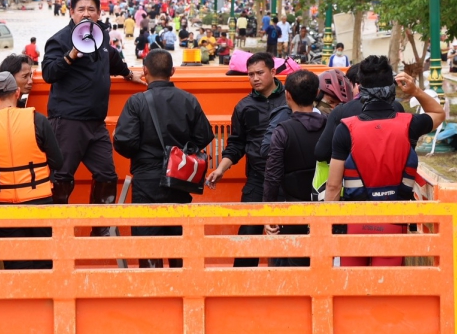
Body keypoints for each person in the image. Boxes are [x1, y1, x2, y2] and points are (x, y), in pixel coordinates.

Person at [324, 57, 444, 266]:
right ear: (392, 90)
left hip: (355, 223)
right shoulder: (410, 125)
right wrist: (415, 91)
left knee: (353, 283)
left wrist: (328, 227)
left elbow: (333, 187)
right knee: (387, 283)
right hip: (394, 222)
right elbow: (438, 113)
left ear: (361, 90)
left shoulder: (345, 129)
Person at [41, 0, 145, 219]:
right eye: (81, 9)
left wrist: (129, 74)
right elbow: (48, 73)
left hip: (96, 123)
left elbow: (111, 57)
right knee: (61, 177)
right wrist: (71, 55)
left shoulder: (101, 37)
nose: (86, 14)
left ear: (98, 13)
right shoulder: (59, 40)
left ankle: (101, 230)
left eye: (91, 9)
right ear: (71, 12)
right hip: (68, 120)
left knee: (107, 176)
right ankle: (57, 230)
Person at [113, 50, 214, 268]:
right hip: (180, 178)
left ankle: (153, 284)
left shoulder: (137, 102)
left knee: (148, 241)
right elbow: (205, 136)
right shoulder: (188, 99)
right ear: (172, 71)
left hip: (147, 179)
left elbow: (125, 142)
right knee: (179, 239)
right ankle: (180, 282)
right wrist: (182, 152)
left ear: (145, 71)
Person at [0, 72, 63, 269]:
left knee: (17, 263)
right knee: (45, 261)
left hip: (5, 206)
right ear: (17, 93)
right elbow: (58, 162)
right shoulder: (38, 121)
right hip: (40, 203)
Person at [206, 52, 287, 267]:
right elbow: (236, 144)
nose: (255, 78)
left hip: (287, 180)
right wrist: (221, 169)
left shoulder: (290, 100)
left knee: (287, 238)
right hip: (257, 179)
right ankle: (241, 281)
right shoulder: (244, 106)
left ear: (273, 72)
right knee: (248, 235)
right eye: (251, 74)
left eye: (260, 73)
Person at [263, 70, 325, 267]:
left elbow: (272, 176)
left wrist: (268, 213)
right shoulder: (331, 126)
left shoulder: (283, 131)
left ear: (287, 94)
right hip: (327, 209)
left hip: (293, 210)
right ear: (317, 93)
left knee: (293, 266)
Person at [314, 63, 407, 164]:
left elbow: (321, 153)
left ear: (357, 84)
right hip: (391, 169)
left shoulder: (341, 111)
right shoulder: (397, 107)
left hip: (353, 171)